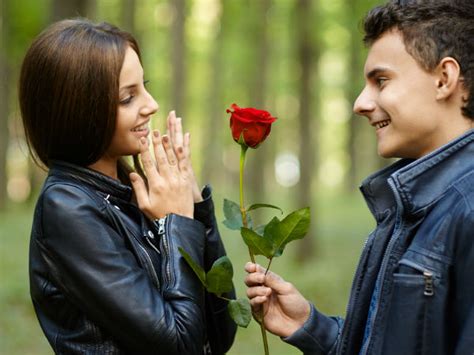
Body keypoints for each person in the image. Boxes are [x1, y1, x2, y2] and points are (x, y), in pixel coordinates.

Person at [245, 2, 474, 354]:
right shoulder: (410, 206)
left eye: (381, 81)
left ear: (444, 79)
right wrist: (310, 326)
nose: (360, 103)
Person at [20, 18, 236, 354]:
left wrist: (194, 205)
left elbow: (221, 335)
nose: (151, 105)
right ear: (80, 108)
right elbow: (180, 345)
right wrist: (176, 224)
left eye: (144, 86)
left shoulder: (133, 191)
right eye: (127, 98)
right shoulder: (67, 208)